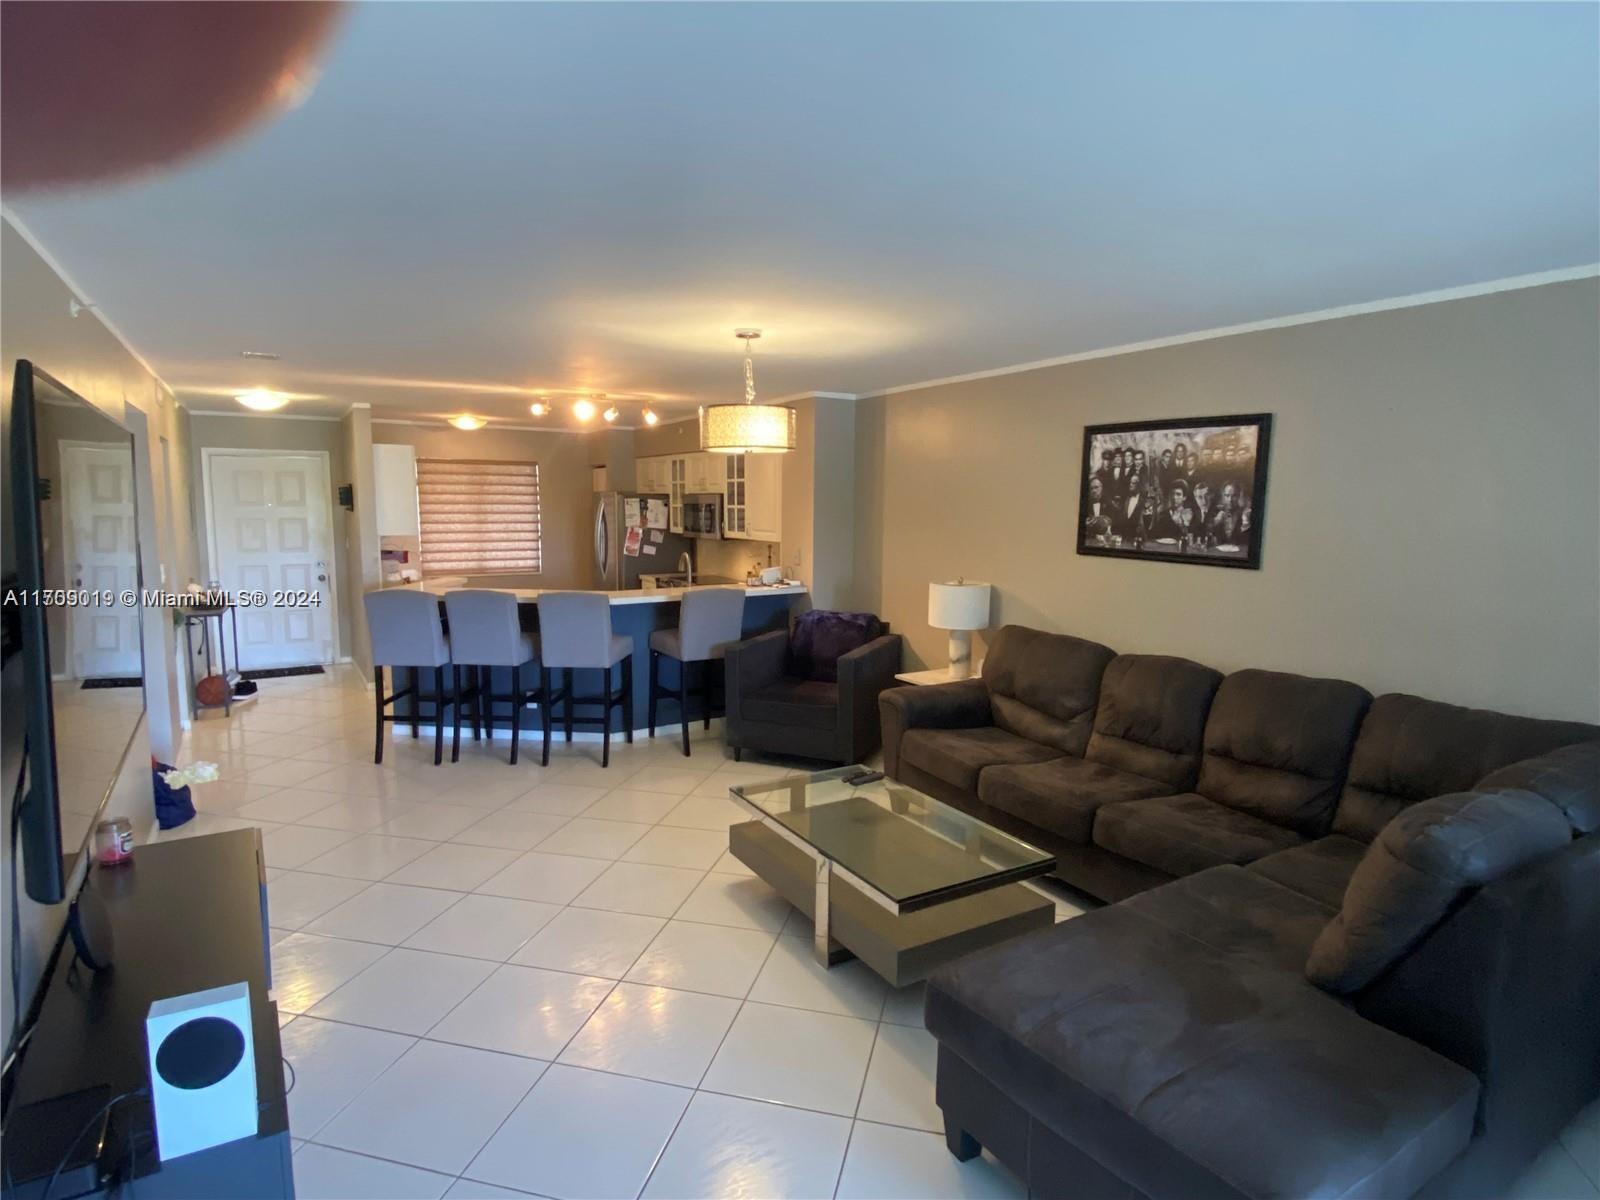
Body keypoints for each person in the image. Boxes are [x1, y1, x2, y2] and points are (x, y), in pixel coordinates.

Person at [1082, 476, 1113, 542]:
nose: (1094, 491)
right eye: (1091, 488)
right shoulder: (1086, 504)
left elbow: (1114, 524)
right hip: (1090, 539)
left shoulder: (1109, 504)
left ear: (1102, 488)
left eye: (1096, 487)